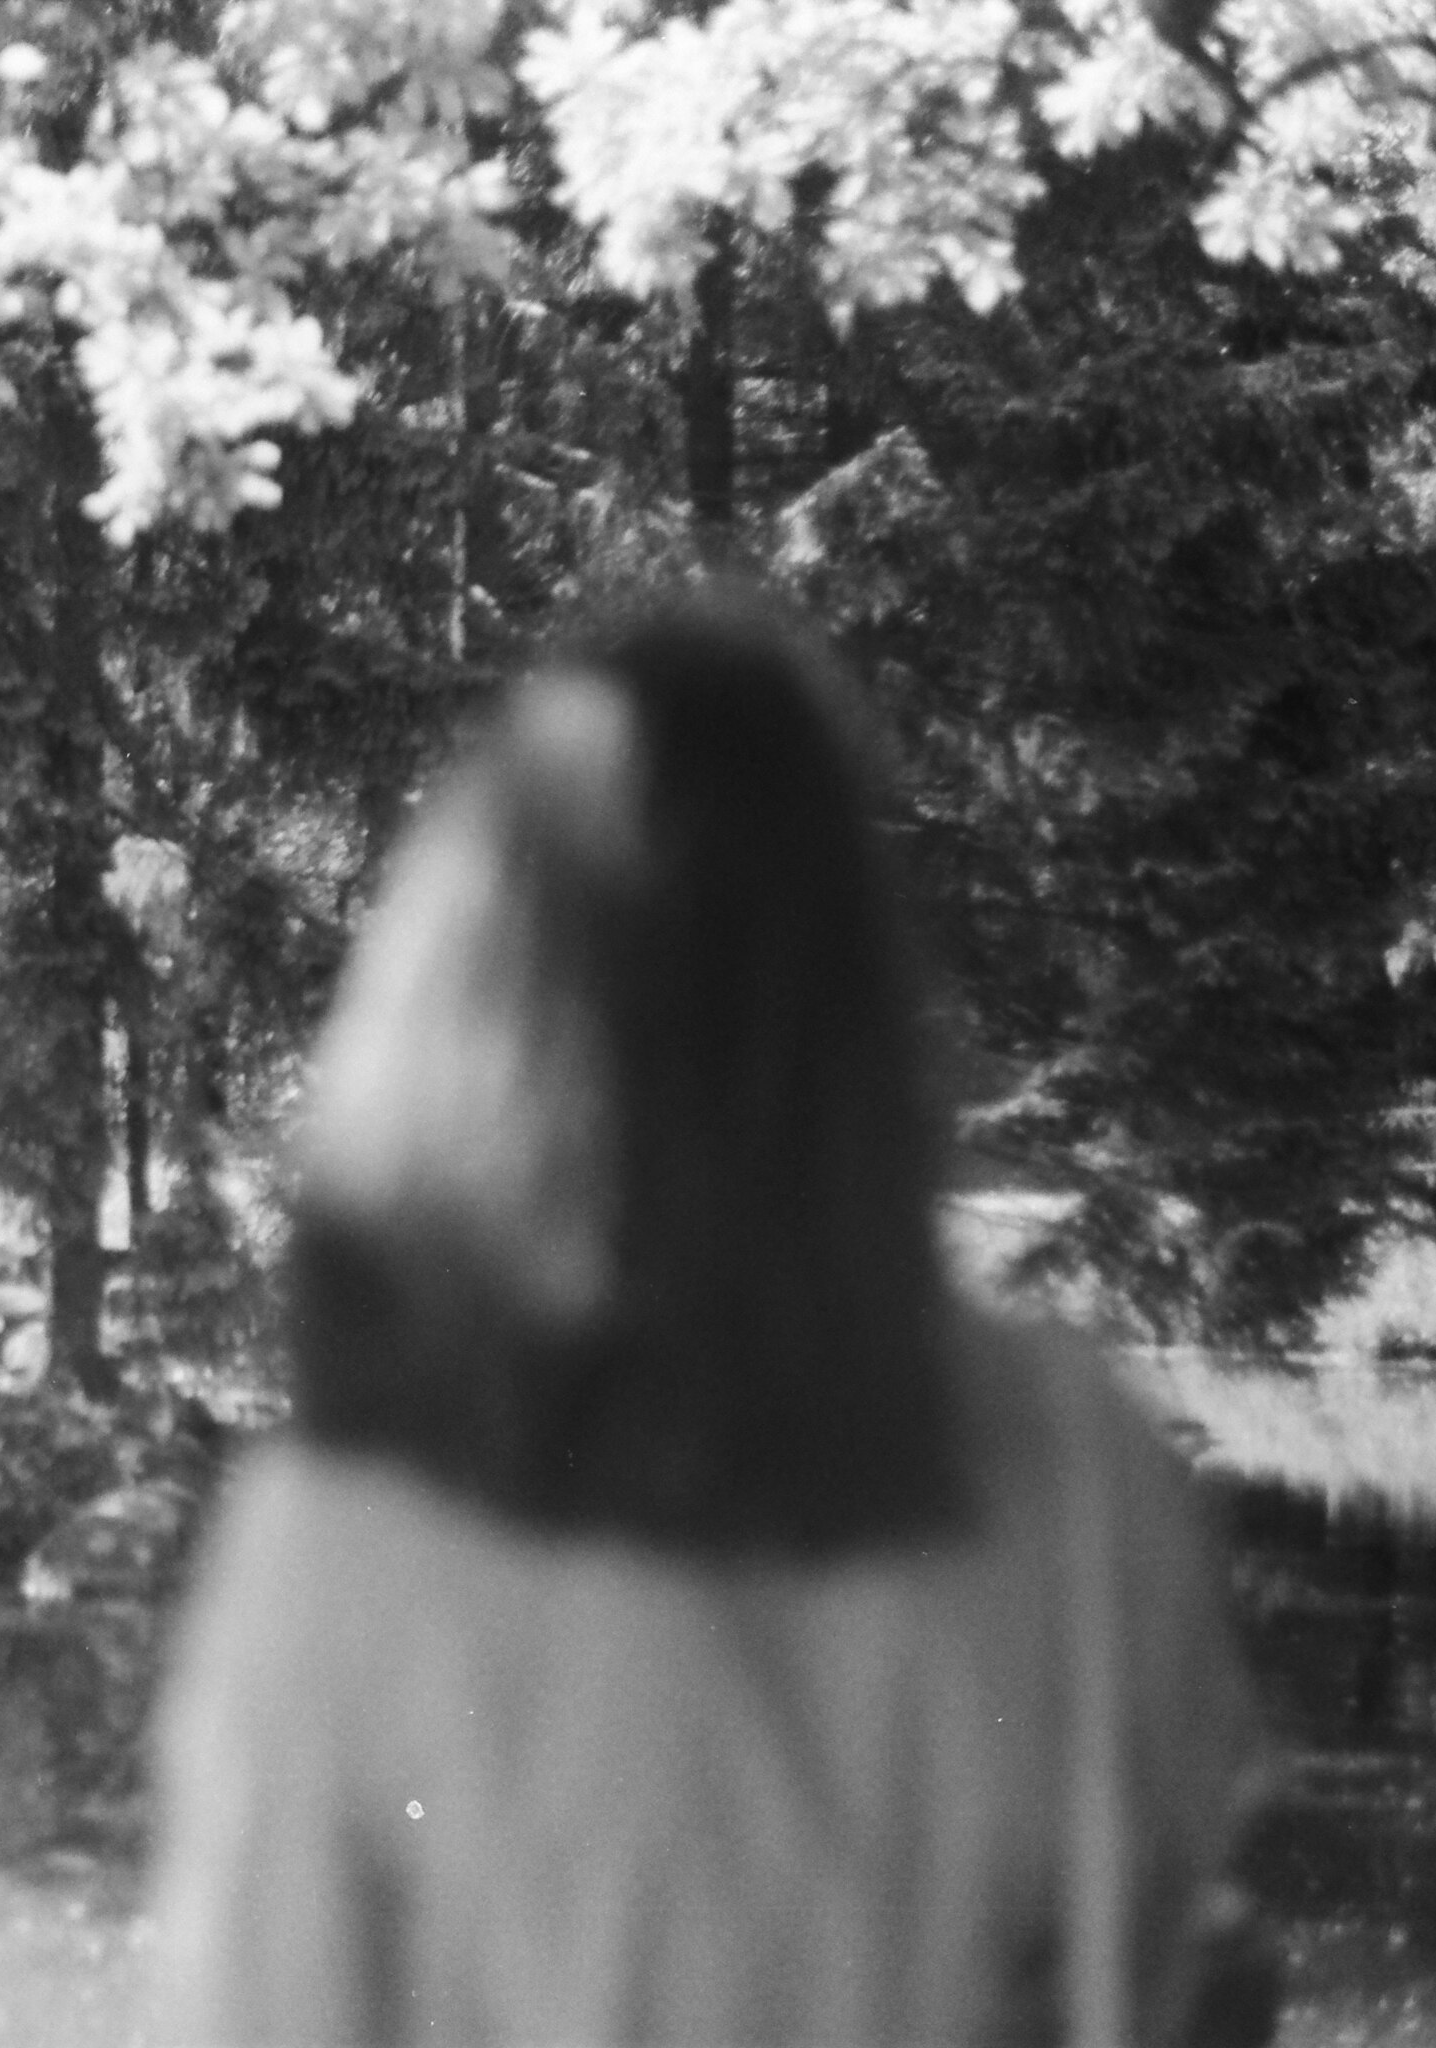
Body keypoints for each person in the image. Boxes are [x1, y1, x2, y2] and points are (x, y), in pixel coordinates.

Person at [148, 598, 1266, 2046]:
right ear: (851, 990)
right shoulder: (1074, 1470)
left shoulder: (341, 1548)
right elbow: (1171, 1959)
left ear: (466, 988)